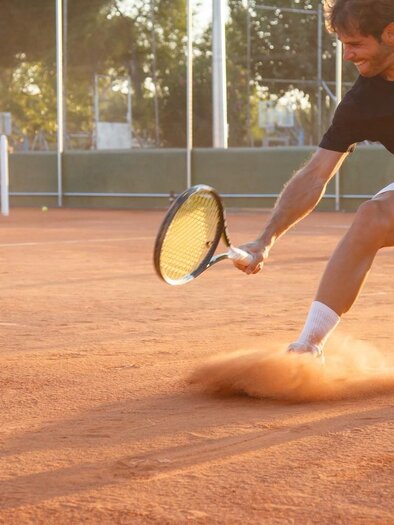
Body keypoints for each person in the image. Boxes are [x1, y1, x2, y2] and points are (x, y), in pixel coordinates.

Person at [234, 0, 394, 361]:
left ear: (391, 33)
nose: (348, 56)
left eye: (355, 44)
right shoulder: (362, 103)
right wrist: (265, 239)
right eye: (343, 44)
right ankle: (308, 346)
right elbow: (316, 173)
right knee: (371, 217)